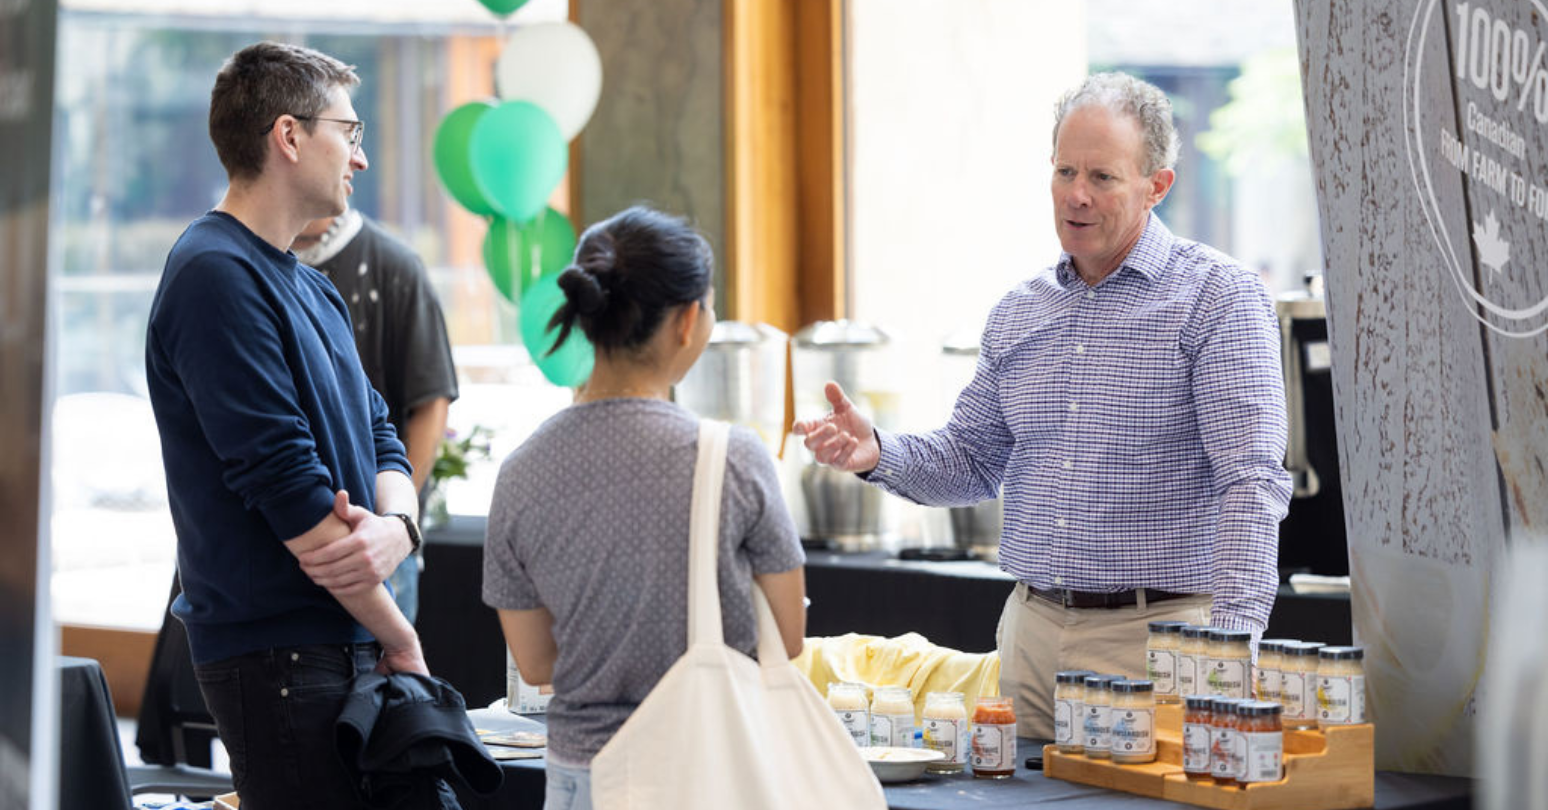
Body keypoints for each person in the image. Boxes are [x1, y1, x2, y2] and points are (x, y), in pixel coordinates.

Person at [795, 72, 1292, 739]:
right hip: (1030, 638)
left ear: (1158, 186)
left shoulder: (1218, 299)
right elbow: (970, 462)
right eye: (1064, 171)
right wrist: (877, 452)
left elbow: (1251, 481)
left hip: (1157, 641)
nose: (1076, 195)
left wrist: (1231, 650)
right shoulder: (1020, 311)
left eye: (1102, 177)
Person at [145, 41, 426, 808]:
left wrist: (399, 526)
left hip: (341, 640)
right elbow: (290, 491)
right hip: (279, 652)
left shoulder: (311, 287)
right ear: (289, 136)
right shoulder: (212, 273)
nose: (360, 160)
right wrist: (400, 635)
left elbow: (381, 435)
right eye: (352, 132)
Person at [482, 206, 807, 810]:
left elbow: (535, 663)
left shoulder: (521, 472)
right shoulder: (733, 457)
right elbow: (786, 638)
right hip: (709, 772)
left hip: (583, 778)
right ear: (687, 321)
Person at [293, 205, 459, 625]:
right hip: (283, 534)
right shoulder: (251, 264)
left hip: (375, 532)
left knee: (384, 681)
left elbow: (431, 401)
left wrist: (394, 526)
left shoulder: (394, 266)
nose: (357, 159)